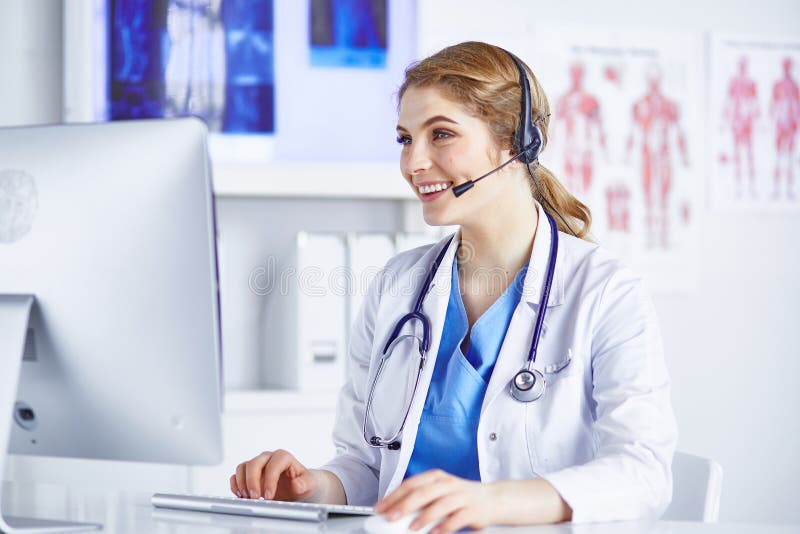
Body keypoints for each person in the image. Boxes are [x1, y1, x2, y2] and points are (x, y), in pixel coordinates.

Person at [230, 41, 677, 532]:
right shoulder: (397, 287)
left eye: (440, 134)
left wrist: (494, 504)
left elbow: (643, 472)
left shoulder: (606, 292)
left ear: (517, 143)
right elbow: (366, 466)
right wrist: (311, 486)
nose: (413, 163)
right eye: (405, 139)